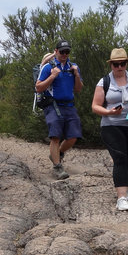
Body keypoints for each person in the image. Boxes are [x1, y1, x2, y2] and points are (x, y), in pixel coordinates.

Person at [91, 48, 128, 211]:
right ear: (111, 65)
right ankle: (122, 197)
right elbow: (95, 106)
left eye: (122, 64)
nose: (119, 67)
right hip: (111, 124)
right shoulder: (104, 82)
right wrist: (109, 112)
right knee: (120, 158)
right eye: (116, 64)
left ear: (126, 63)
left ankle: (124, 185)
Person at [35, 39, 83, 179]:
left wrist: (77, 75)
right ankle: (57, 167)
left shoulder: (73, 67)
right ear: (56, 52)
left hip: (69, 106)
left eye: (67, 52)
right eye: (62, 51)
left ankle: (57, 154)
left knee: (74, 136)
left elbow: (78, 89)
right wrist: (53, 75)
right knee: (55, 136)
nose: (64, 54)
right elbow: (38, 87)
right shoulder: (48, 67)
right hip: (53, 106)